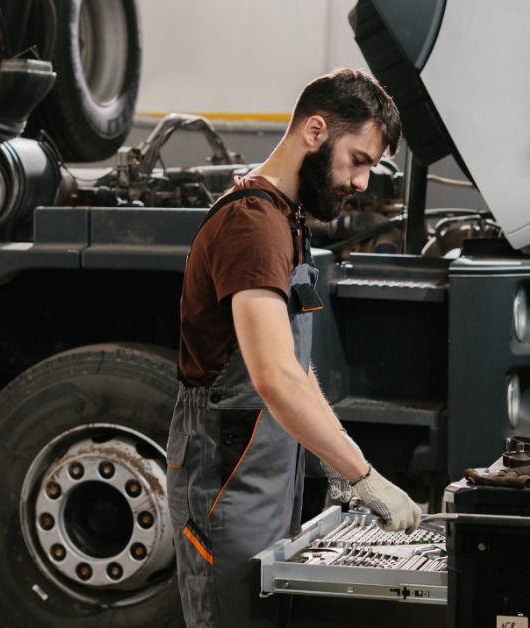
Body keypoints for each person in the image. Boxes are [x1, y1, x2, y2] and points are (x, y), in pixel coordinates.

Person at [165, 68, 422, 627]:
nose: (362, 182)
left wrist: (338, 460)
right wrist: (364, 476)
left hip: (261, 472)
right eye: (358, 159)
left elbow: (295, 369)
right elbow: (275, 376)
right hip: (227, 478)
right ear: (314, 131)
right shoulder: (252, 225)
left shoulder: (284, 218)